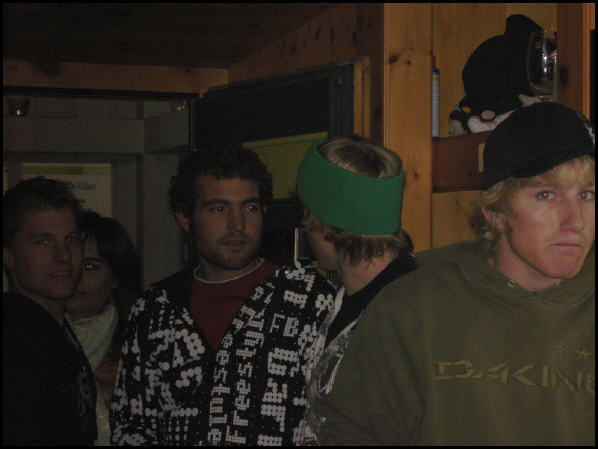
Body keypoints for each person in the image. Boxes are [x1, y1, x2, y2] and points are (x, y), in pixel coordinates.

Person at [316, 101, 595, 445]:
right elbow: (353, 433)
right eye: (547, 195)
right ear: (495, 210)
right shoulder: (414, 306)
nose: (576, 221)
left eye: (587, 194)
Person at [110, 144, 336, 445]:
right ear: (185, 217)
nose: (237, 224)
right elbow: (130, 425)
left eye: (250, 207)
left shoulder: (307, 299)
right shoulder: (156, 310)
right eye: (219, 208)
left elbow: (337, 421)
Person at [293, 135, 417, 444]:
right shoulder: (345, 299)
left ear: (322, 218)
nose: (304, 225)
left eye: (305, 210)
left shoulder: (409, 309)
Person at [3, 177, 97, 445]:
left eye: (71, 239)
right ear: (8, 254)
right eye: (43, 242)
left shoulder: (53, 332)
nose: (64, 255)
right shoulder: (17, 340)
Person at [65, 210, 142, 446]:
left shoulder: (138, 347)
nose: (77, 276)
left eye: (90, 266)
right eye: (72, 264)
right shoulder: (31, 339)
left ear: (115, 277)